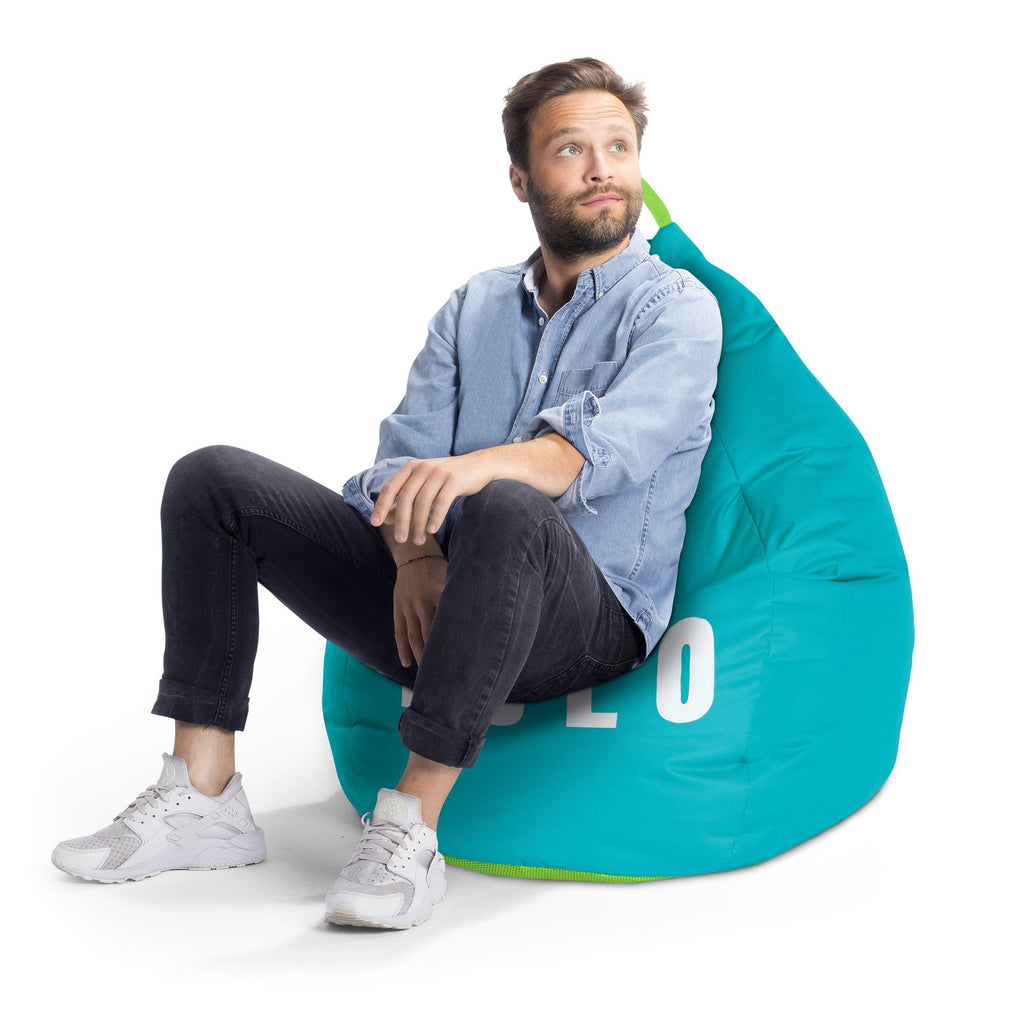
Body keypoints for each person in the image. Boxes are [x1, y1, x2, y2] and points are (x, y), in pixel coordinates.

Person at [52, 57, 722, 929]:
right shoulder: (474, 307)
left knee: (507, 503)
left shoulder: (677, 309)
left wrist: (472, 471)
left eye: (619, 147)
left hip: (587, 621)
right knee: (212, 480)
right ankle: (206, 795)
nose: (602, 169)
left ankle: (409, 825)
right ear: (521, 178)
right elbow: (397, 464)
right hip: (437, 599)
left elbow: (596, 455)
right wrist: (413, 555)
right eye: (570, 150)